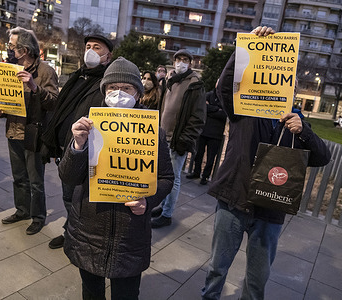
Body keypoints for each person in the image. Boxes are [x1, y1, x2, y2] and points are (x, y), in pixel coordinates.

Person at [201, 26, 332, 300]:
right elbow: (225, 86)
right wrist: (245, 47)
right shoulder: (245, 110)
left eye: (291, 84)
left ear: (294, 91)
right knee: (217, 267)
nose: (286, 87)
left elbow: (322, 157)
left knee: (258, 278)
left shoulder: (296, 125)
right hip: (233, 200)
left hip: (270, 211)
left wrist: (304, 131)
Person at [59, 57, 174, 300]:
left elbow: (165, 177)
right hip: (89, 228)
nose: (118, 93)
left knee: (126, 294)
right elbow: (68, 176)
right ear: (104, 91)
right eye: (112, 88)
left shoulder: (154, 132)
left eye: (126, 88)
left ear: (138, 93)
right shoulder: (88, 128)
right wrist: (77, 145)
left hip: (130, 235)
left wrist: (148, 201)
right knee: (91, 292)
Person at [40, 34, 113, 249]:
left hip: (90, 153)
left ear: (108, 54)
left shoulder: (108, 83)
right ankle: (71, 230)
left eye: (97, 47)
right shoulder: (77, 77)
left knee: (81, 200)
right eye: (88, 46)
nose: (90, 50)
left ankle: (79, 235)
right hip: (67, 149)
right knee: (68, 196)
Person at [0, 27, 58, 235]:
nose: (10, 49)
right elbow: (6, 99)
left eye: (12, 46)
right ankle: (22, 210)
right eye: (10, 46)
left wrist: (34, 86)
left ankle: (38, 217)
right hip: (13, 130)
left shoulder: (45, 71)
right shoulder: (9, 69)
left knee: (35, 180)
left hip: (34, 133)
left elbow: (54, 102)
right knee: (19, 177)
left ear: (25, 48)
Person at [151, 49, 206, 228]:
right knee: (163, 177)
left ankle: (167, 214)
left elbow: (198, 118)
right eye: (178, 59)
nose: (181, 63)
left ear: (190, 63)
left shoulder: (195, 84)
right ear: (173, 62)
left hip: (177, 141)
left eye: (185, 60)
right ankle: (164, 206)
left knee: (173, 179)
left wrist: (184, 140)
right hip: (163, 137)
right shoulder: (170, 81)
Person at [186, 85, 227, 185]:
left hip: (216, 134)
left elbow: (224, 115)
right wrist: (217, 109)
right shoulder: (208, 95)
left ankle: (205, 176)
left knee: (210, 158)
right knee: (198, 154)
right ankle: (196, 172)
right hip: (203, 130)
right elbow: (202, 108)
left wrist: (210, 108)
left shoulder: (226, 99)